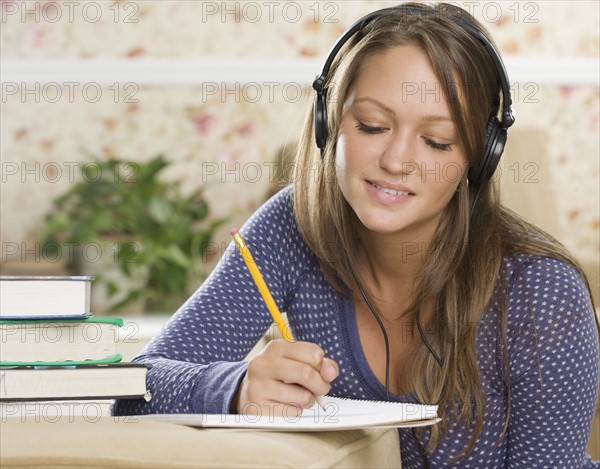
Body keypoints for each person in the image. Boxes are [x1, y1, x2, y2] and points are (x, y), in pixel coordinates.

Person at [114, 3, 600, 467]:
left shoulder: (543, 294)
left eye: (437, 141)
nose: (396, 161)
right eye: (372, 125)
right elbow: (132, 390)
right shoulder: (291, 227)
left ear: (479, 157)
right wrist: (235, 389)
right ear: (329, 121)